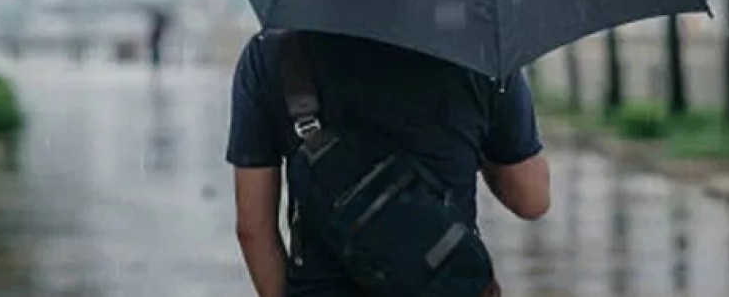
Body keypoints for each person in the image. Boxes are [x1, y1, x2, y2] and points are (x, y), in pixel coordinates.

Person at [227, 29, 550, 297]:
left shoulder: (273, 51)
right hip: (444, 282)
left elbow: (252, 229)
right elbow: (531, 199)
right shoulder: (479, 51)